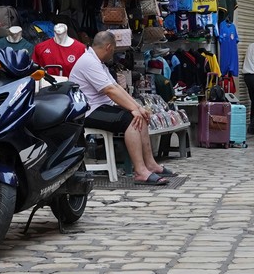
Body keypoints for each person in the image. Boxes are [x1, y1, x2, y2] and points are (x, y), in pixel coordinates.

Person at [68, 31, 176, 186]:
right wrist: (133, 110)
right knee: (131, 120)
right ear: (108, 47)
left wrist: (138, 107)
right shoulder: (88, 61)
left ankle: (151, 164)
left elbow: (116, 87)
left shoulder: (98, 62)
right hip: (88, 111)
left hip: (102, 107)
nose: (113, 54)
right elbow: (110, 91)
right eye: (113, 51)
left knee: (140, 116)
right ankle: (140, 171)